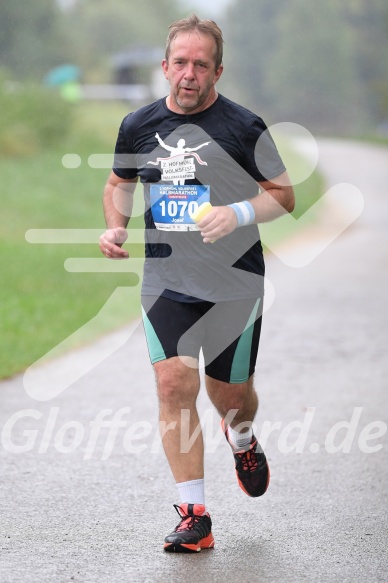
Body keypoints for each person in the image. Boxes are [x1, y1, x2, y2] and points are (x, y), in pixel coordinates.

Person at [99, 14, 294, 553]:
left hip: (234, 283)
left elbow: (282, 195)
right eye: (180, 63)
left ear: (218, 71)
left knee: (230, 396)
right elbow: (119, 183)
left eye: (200, 65)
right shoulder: (138, 125)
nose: (189, 73)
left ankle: (243, 438)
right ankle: (194, 516)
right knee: (173, 386)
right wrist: (116, 224)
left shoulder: (243, 126)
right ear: (165, 66)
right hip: (165, 279)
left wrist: (236, 213)